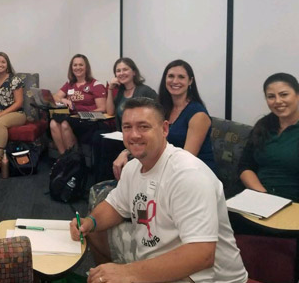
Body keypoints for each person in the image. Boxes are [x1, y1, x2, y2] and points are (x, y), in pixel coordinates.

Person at [72, 98, 247, 283]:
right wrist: (89, 222)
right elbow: (114, 206)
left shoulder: (188, 175)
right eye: (127, 127)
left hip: (205, 276)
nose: (134, 135)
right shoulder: (133, 168)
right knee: (96, 232)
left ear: (164, 129)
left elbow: (202, 255)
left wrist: (130, 273)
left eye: (143, 127)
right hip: (159, 251)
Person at [112, 59, 215, 178]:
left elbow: (186, 159)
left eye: (181, 77)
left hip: (193, 174)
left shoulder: (198, 115)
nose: (175, 81)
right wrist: (125, 152)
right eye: (171, 76)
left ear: (190, 81)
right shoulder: (162, 108)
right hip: (165, 167)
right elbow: (147, 138)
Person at [238, 72, 299, 202]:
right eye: (271, 97)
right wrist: (263, 196)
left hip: (293, 204)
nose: (278, 101)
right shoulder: (263, 125)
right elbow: (245, 166)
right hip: (258, 197)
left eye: (284, 95)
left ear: (297, 95)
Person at [50, 54, 107, 154]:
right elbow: (54, 97)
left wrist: (83, 114)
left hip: (87, 121)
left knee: (64, 124)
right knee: (53, 123)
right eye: (75, 65)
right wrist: (63, 100)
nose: (78, 68)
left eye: (81, 65)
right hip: (72, 118)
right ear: (71, 68)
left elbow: (102, 108)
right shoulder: (70, 83)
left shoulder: (95, 84)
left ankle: (73, 160)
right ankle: (64, 158)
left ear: (86, 67)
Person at [106, 57, 157, 130]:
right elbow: (110, 112)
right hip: (122, 134)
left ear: (134, 72)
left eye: (125, 69)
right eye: (118, 71)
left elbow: (157, 116)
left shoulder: (145, 91)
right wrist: (110, 89)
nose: (121, 73)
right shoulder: (121, 92)